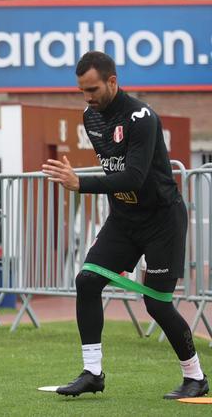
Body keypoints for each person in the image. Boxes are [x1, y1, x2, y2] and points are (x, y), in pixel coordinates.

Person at [42, 51, 208, 399]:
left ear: (113, 81)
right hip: (123, 218)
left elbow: (132, 176)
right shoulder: (91, 117)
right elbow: (116, 171)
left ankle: (195, 377)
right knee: (87, 281)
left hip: (162, 219)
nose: (88, 98)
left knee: (157, 303)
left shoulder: (142, 117)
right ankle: (92, 373)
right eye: (82, 91)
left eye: (93, 89)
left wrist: (80, 184)